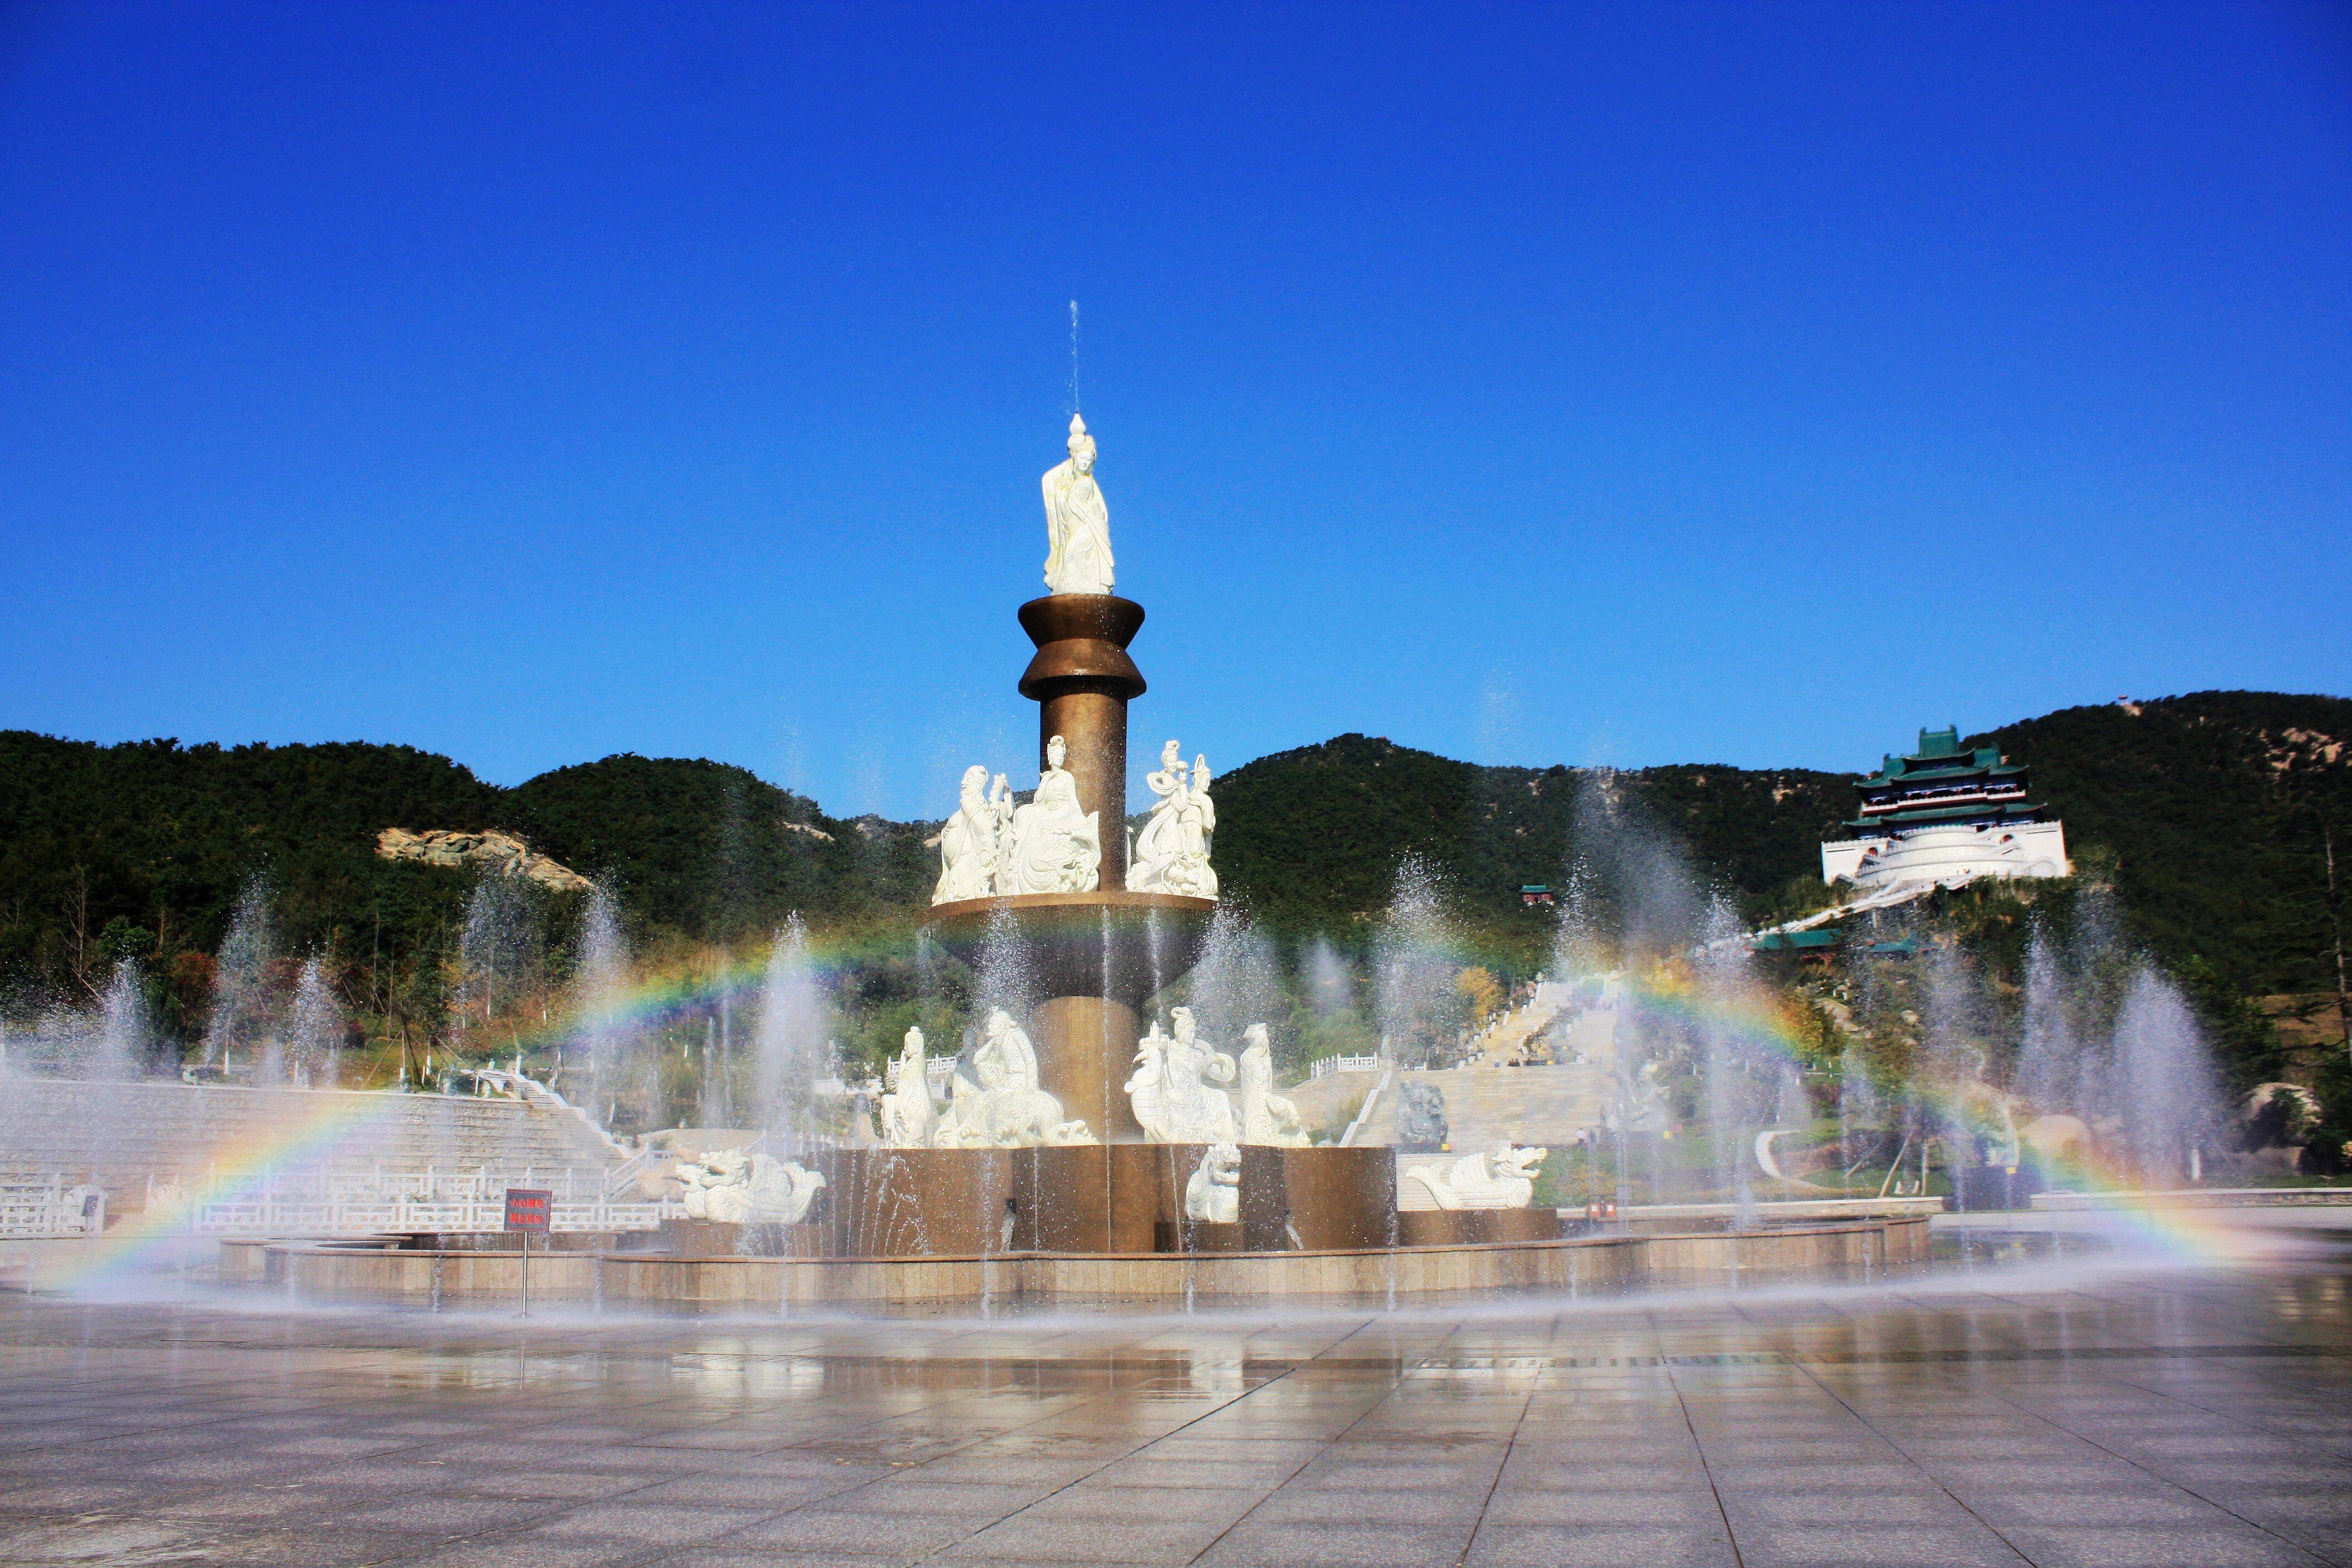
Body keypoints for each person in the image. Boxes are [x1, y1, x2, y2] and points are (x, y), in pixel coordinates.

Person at [1041, 413, 1114, 595]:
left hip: (1089, 531)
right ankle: (1069, 588)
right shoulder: (1065, 480)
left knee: (1076, 556)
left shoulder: (1087, 482)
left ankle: (1088, 587)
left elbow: (1090, 511)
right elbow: (1052, 485)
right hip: (1077, 530)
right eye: (1083, 458)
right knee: (1070, 559)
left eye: (1089, 459)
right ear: (1074, 456)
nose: (1086, 462)